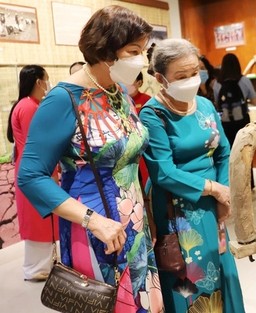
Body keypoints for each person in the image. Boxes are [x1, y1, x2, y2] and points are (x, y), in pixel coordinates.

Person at [17, 5, 164, 312]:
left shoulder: (118, 92)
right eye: (133, 51)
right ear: (105, 50)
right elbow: (31, 175)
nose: (141, 60)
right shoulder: (63, 99)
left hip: (133, 224)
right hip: (94, 227)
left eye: (143, 50)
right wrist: (92, 220)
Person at [139, 38, 245, 313]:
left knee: (221, 266)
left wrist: (224, 191)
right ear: (161, 78)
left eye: (194, 72)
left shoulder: (206, 106)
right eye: (181, 76)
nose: (190, 80)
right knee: (188, 274)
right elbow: (163, 171)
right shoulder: (152, 114)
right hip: (178, 208)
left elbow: (224, 152)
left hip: (212, 203)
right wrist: (213, 188)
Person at [7, 65, 58, 282]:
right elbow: (37, 144)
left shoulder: (29, 105)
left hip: (36, 168)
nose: (48, 83)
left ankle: (44, 265)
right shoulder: (28, 107)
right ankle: (37, 269)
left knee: (42, 218)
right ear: (39, 82)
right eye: (46, 79)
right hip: (36, 170)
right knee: (38, 220)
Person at [213, 53, 256, 146]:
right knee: (245, 147)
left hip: (225, 122)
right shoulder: (244, 80)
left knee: (230, 148)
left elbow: (217, 105)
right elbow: (255, 102)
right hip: (242, 121)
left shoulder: (217, 84)